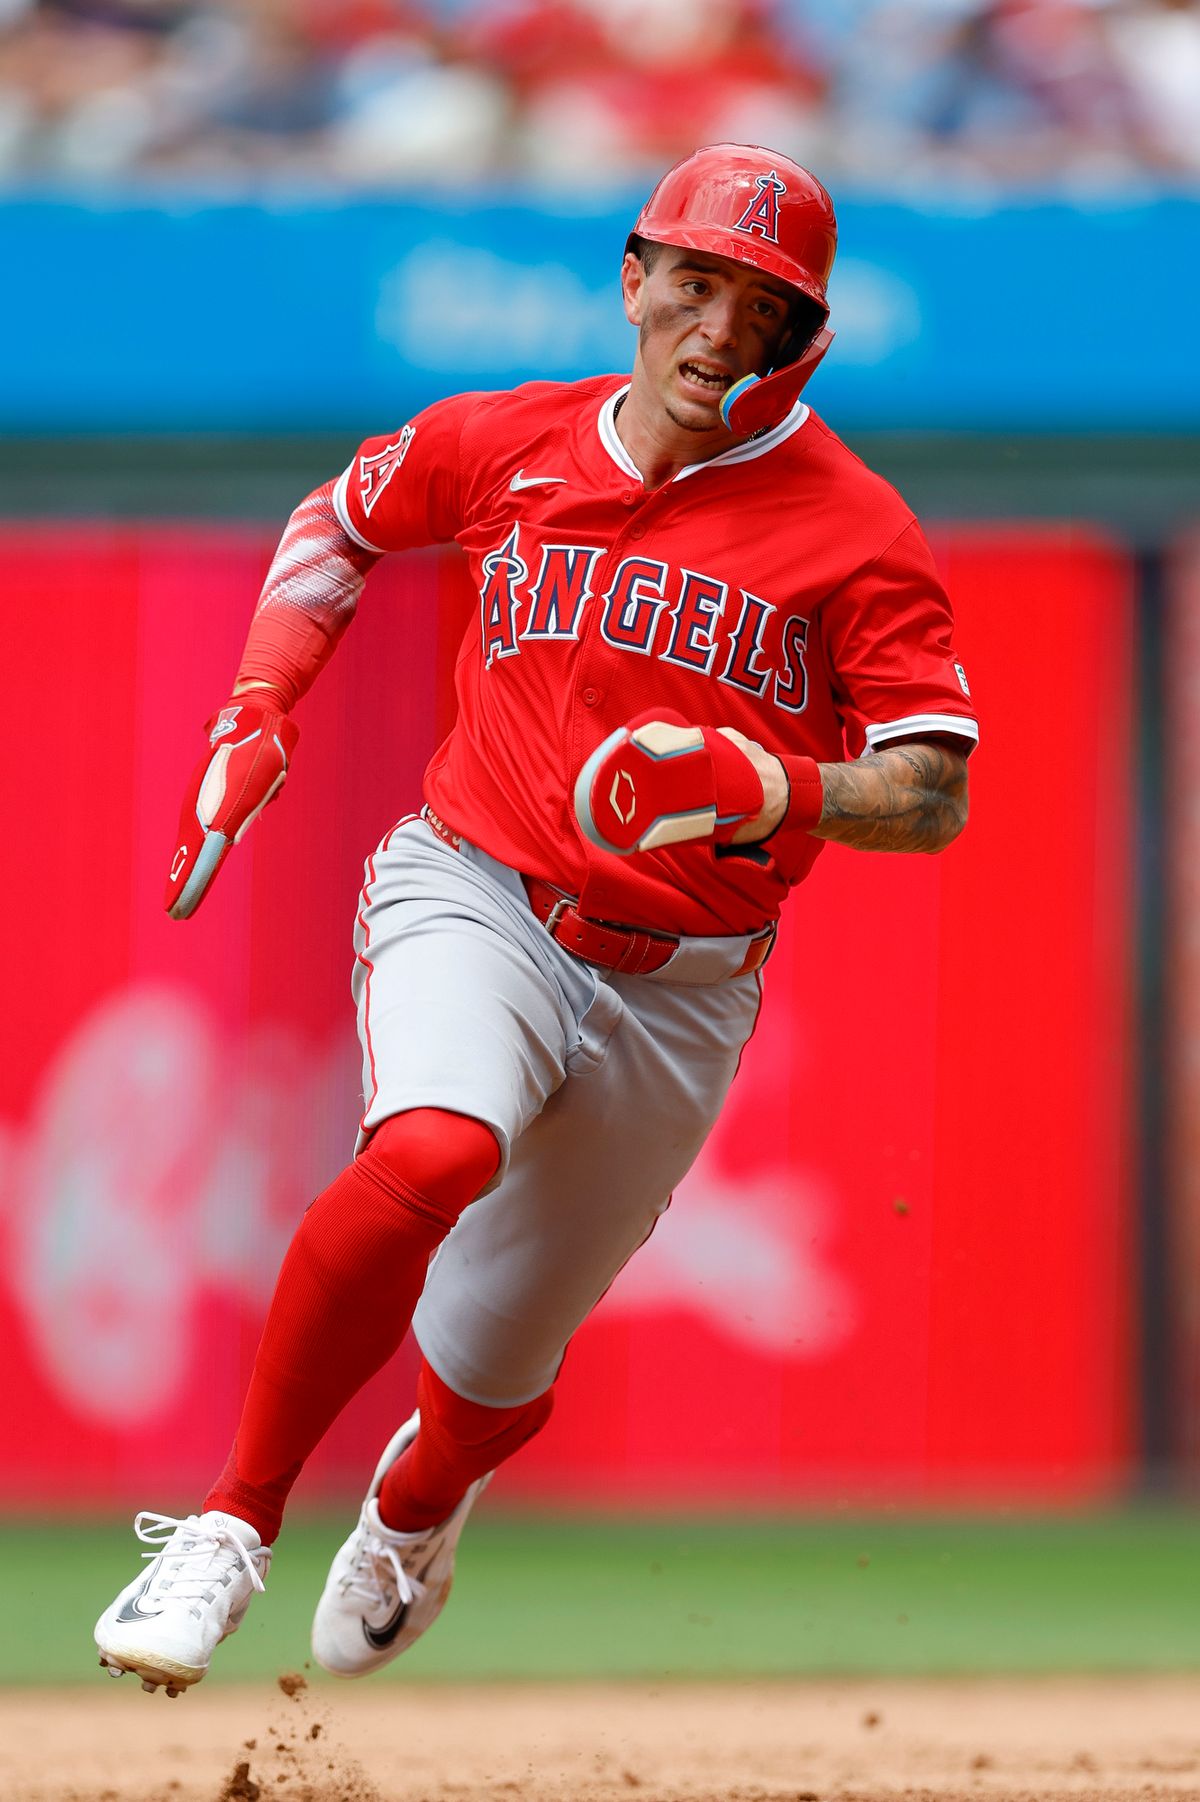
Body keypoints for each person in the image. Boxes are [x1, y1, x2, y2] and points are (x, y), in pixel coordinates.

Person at [94, 142, 977, 1696]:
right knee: (434, 1146)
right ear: (636, 279)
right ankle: (229, 1524)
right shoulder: (506, 438)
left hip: (682, 982)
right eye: (695, 281)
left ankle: (419, 1504)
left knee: (495, 1369)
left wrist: (769, 782)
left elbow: (932, 789)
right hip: (480, 885)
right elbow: (338, 523)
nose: (720, 325)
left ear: (806, 336)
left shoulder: (858, 530)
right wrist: (259, 699)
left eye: (763, 304)